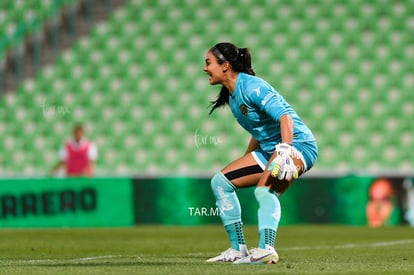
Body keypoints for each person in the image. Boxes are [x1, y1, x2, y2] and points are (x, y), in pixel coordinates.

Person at [203, 42, 318, 264]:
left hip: (298, 145)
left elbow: (284, 117)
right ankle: (238, 249)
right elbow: (260, 128)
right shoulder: (232, 95)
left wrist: (285, 151)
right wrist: (247, 159)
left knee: (264, 191)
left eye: (208, 63)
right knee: (220, 183)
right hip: (269, 149)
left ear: (225, 65)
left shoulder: (253, 88)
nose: (205, 68)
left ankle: (266, 248)